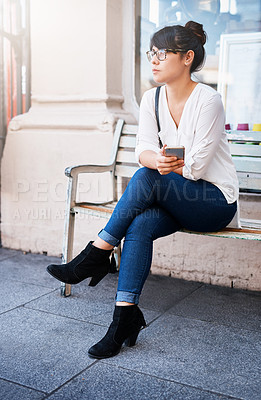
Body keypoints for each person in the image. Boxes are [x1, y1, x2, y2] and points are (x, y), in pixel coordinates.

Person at [47, 21, 239, 359]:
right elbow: (144, 149)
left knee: (146, 178)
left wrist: (160, 164)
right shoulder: (151, 99)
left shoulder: (208, 100)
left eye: (162, 53)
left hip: (213, 200)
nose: (153, 59)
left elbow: (195, 167)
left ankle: (97, 253)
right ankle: (124, 318)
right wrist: (158, 161)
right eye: (151, 52)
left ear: (187, 57)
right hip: (175, 195)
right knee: (139, 223)